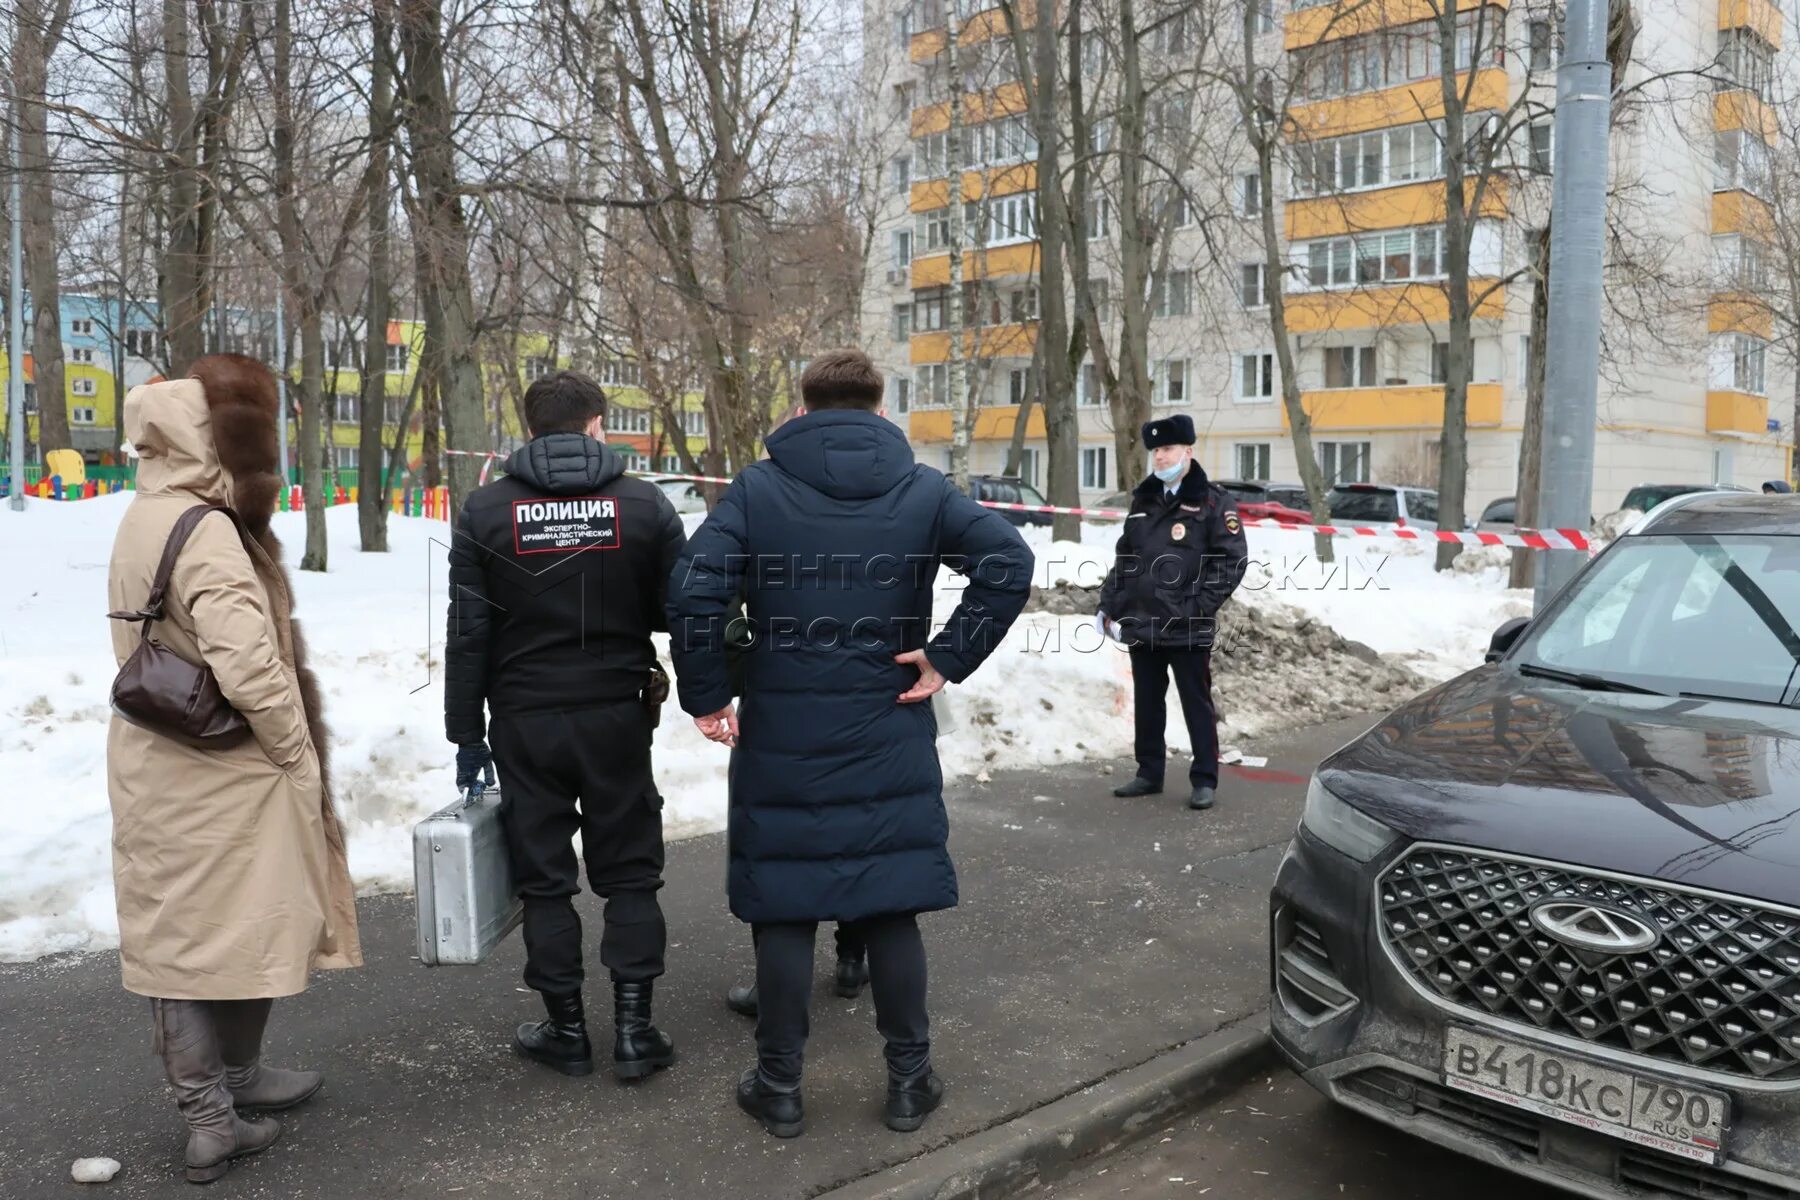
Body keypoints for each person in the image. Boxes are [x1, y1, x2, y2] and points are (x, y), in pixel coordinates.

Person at [668, 349, 1033, 1139]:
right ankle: (909, 1082)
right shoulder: (923, 488)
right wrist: (947, 655)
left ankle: (781, 1087)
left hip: (784, 722)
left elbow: (695, 588)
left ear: (803, 407)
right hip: (886, 715)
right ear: (878, 407)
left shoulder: (757, 489)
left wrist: (705, 694)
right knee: (891, 899)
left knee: (787, 905)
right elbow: (1008, 560)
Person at [106, 356, 362, 1184]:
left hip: (162, 760)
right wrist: (294, 750)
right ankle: (212, 1118)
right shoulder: (206, 529)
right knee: (192, 943)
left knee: (212, 928)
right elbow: (250, 665)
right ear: (211, 439)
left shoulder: (147, 512)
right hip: (224, 767)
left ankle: (238, 1083)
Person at [444, 370, 686, 1082]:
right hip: (616, 714)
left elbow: (468, 631)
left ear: (530, 427)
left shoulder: (485, 510)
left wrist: (467, 733)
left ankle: (567, 1031)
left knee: (545, 878)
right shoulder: (644, 506)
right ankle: (637, 1032)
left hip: (524, 719)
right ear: (597, 426)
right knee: (631, 869)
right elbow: (684, 611)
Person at [1097, 414, 1248, 813]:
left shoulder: (1214, 501)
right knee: (1148, 701)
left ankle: (1204, 779)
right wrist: (1108, 605)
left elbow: (1231, 561)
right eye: (1156, 450)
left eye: (1168, 449)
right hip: (1143, 622)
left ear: (1188, 452)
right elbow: (1126, 559)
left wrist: (1196, 607)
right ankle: (1149, 772)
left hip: (1187, 625)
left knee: (1195, 701)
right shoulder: (1143, 501)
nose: (1160, 456)